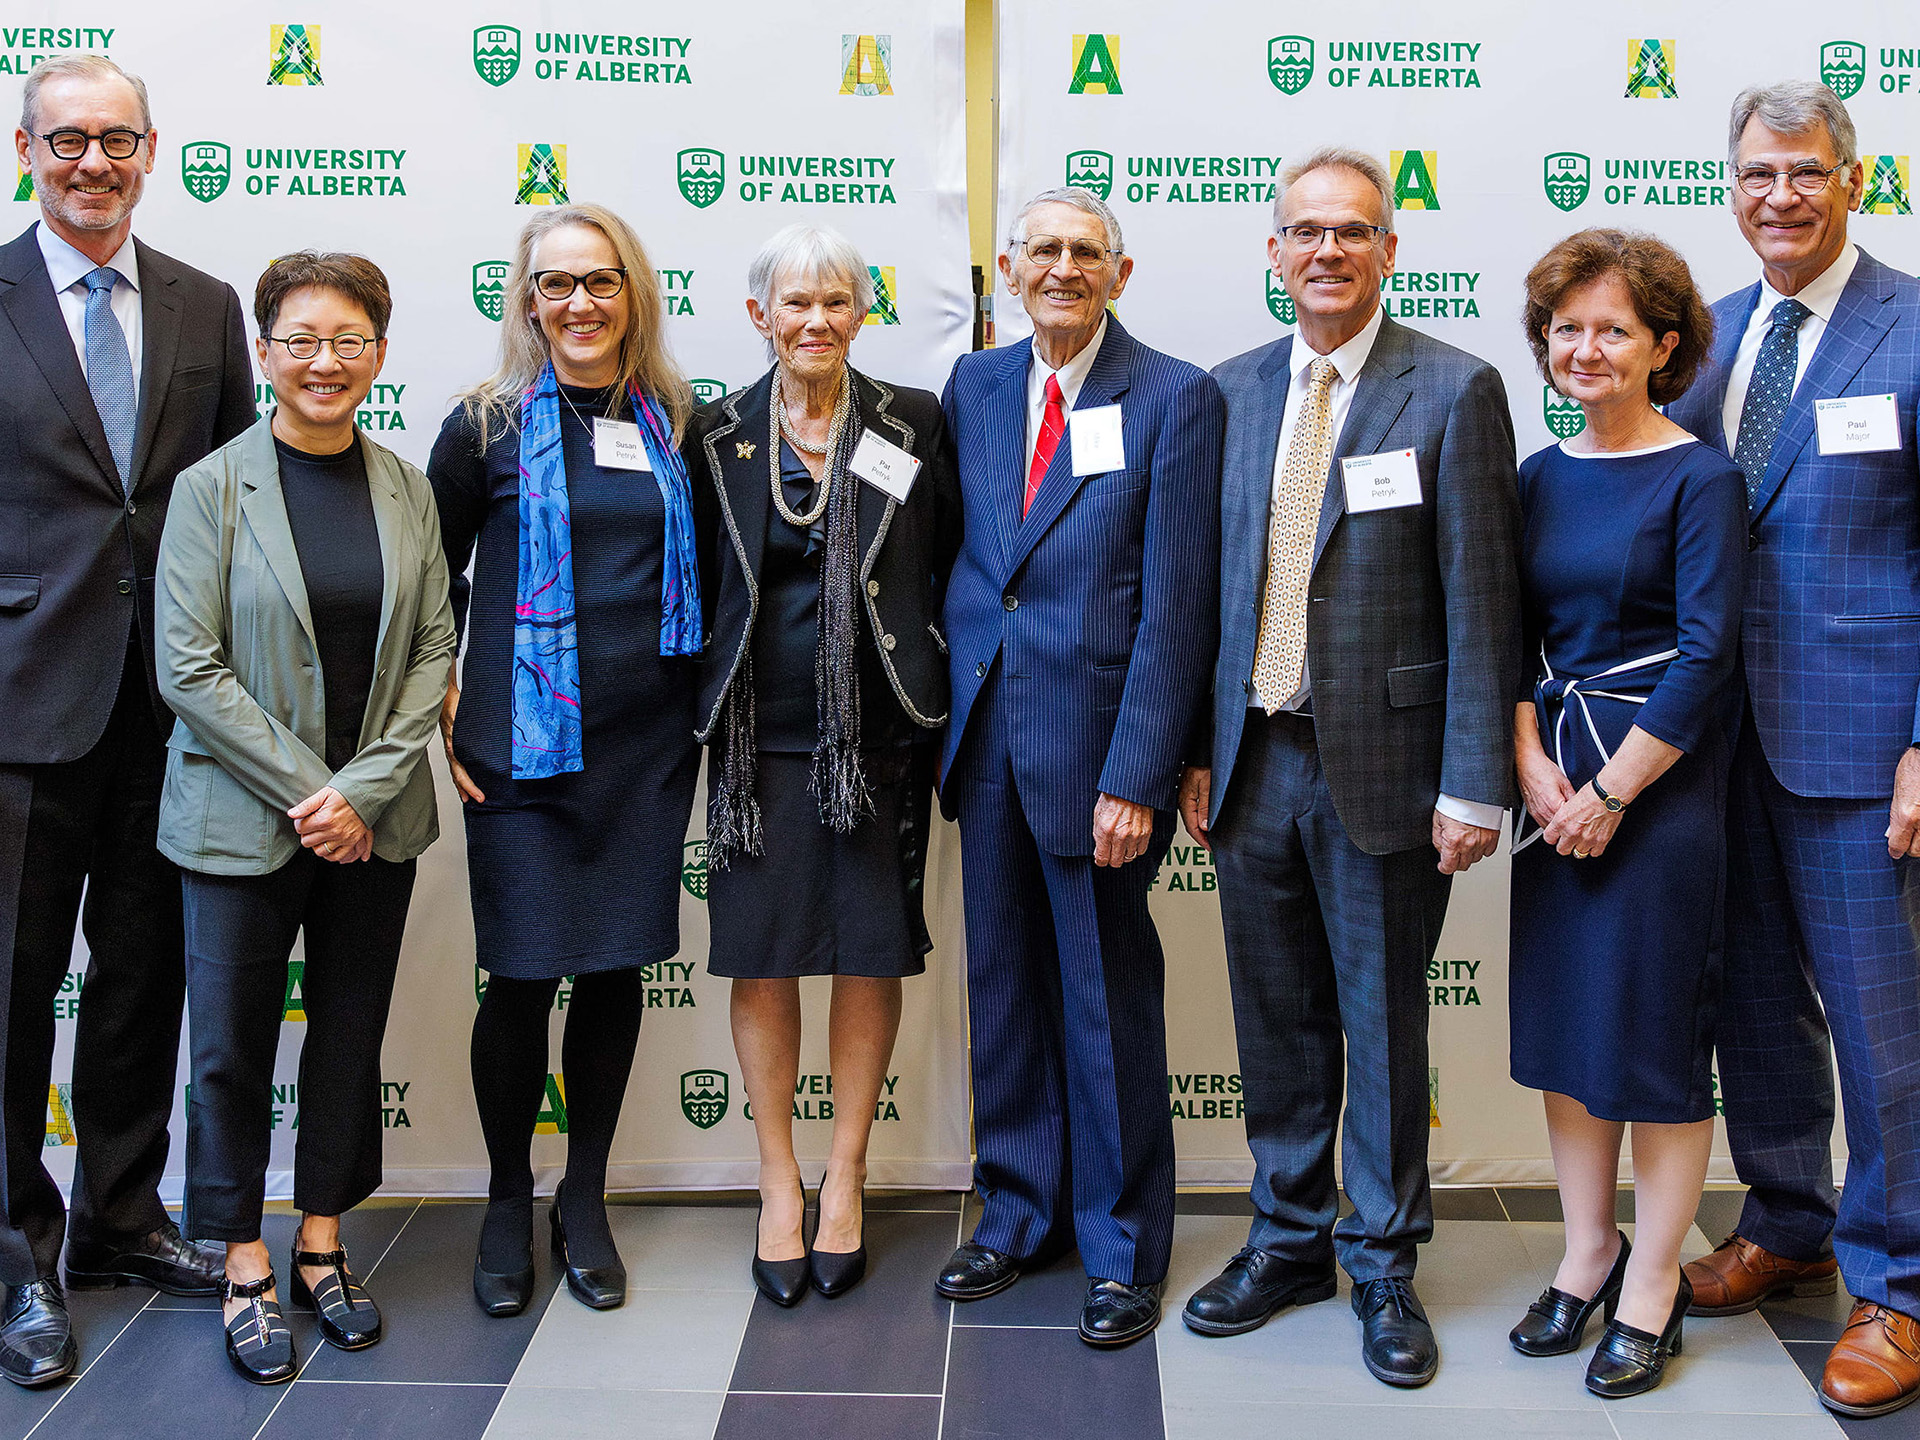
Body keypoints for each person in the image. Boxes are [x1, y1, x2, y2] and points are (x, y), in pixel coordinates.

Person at [1176, 147, 1520, 1388]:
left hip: (1385, 765)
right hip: (1251, 760)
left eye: (1353, 231)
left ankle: (1382, 1262)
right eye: (1304, 232)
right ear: (1273, 253)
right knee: (1274, 1023)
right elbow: (1207, 595)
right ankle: (1287, 1238)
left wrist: (1473, 778)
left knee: (1379, 1028)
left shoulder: (1456, 389)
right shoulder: (1229, 391)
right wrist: (1194, 754)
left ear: (1390, 250)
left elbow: (1485, 603)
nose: (1327, 250)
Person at [1666, 80, 1920, 1421]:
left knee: (1886, 1029)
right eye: (1759, 174)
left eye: (1805, 174)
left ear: (1852, 182)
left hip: (1864, 744)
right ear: (1733, 183)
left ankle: (1899, 1283)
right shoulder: (1702, 338)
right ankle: (1788, 1219)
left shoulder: (1916, 327)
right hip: (1717, 747)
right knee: (1752, 1001)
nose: (1780, 196)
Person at [156, 252, 454, 1383]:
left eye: (348, 340)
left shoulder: (407, 486)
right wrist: (312, 791)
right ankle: (242, 1257)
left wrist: (362, 792)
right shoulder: (209, 488)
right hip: (242, 821)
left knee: (346, 1034)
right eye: (300, 341)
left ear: (378, 352)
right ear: (265, 353)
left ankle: (323, 1241)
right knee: (230, 1049)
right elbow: (189, 667)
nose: (323, 363)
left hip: (372, 825)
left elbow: (434, 647)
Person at [0, 55, 254, 1386]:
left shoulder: (207, 306)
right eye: (68, 141)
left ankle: (116, 1217)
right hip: (18, 705)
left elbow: (229, 504)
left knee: (142, 972)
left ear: (151, 150)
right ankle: (13, 1252)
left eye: (118, 141)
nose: (93, 162)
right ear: (27, 146)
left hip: (169, 706)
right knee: (10, 988)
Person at [935, 186, 1223, 1347]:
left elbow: (1178, 604)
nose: (1062, 267)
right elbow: (973, 563)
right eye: (1043, 250)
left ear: (1122, 270)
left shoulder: (1173, 398)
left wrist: (1140, 773)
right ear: (1010, 268)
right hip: (986, 736)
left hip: (1098, 754)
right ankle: (1017, 1210)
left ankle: (1117, 1242)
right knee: (1001, 985)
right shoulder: (978, 385)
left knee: (1102, 1001)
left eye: (1084, 252)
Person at [429, 204, 703, 1319]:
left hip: (645, 746)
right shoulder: (482, 426)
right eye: (556, 285)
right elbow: (427, 576)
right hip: (524, 747)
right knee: (525, 973)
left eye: (601, 282)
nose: (579, 304)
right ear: (527, 299)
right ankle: (506, 1195)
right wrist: (441, 697)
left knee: (614, 970)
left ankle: (581, 1196)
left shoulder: (677, 420)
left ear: (634, 292)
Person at [690, 224, 960, 1306]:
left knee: (865, 952)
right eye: (794, 304)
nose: (815, 322)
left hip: (877, 736)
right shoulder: (713, 431)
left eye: (836, 302)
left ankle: (847, 1172)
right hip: (756, 741)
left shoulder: (913, 421)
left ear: (864, 310)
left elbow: (943, 561)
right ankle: (777, 1178)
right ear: (759, 316)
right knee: (762, 958)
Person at [1504, 230, 1744, 1398]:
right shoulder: (1537, 477)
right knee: (1565, 1031)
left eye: (1613, 330)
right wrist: (1533, 769)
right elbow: (1504, 642)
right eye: (1567, 329)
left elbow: (1707, 657)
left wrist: (1609, 790)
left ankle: (1652, 1280)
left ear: (1663, 347)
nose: (1586, 348)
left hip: (1663, 795)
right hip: (1555, 789)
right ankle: (1586, 1247)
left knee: (1651, 1043)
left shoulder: (1703, 476)